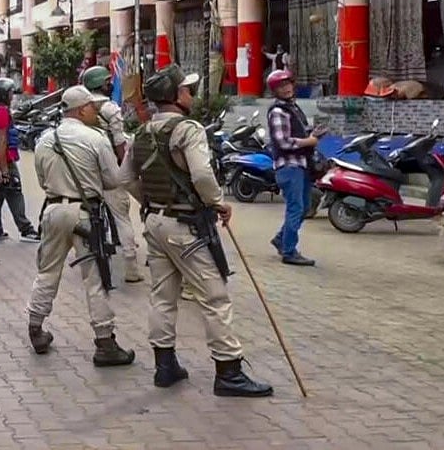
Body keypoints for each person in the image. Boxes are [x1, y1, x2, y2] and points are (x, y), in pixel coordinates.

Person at [125, 64, 272, 397]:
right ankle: (229, 372)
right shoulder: (188, 129)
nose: (191, 95)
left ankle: (165, 367)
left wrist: (152, 202)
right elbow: (203, 176)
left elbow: (125, 179)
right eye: (187, 90)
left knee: (163, 297)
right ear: (176, 96)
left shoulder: (142, 132)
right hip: (186, 226)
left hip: (155, 222)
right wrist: (218, 202)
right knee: (215, 298)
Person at [28, 86, 135, 365]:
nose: (95, 110)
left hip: (52, 210)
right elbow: (114, 179)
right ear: (82, 109)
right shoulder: (95, 138)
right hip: (85, 215)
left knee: (47, 272)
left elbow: (41, 179)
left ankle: (36, 328)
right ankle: (105, 342)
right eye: (92, 106)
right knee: (94, 278)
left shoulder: (44, 141)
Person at [82, 65, 143, 283]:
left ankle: (91, 262)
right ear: (100, 84)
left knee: (88, 218)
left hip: (86, 173)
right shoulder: (110, 108)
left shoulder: (80, 107)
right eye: (107, 82)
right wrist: (128, 168)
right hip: (111, 171)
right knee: (122, 218)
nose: (110, 84)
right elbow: (120, 144)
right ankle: (131, 268)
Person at [265, 69, 323, 267]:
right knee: (296, 208)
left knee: (305, 207)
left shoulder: (293, 108)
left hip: (302, 166)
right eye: (281, 86)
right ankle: (289, 251)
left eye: (288, 83)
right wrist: (309, 141)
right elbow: (283, 142)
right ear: (275, 90)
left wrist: (313, 133)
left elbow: (298, 133)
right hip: (289, 167)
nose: (287, 88)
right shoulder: (278, 111)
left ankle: (282, 239)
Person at [0, 78, 39, 242]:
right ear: (3, 94)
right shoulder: (1, 111)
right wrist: (4, 169)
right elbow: (2, 141)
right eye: (10, 93)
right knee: (14, 192)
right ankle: (26, 229)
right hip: (4, 161)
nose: (12, 96)